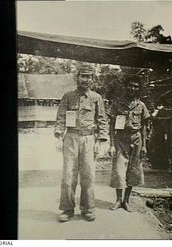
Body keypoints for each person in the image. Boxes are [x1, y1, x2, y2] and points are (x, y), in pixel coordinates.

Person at [54, 64, 108, 222]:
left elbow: (102, 120)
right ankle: (67, 209)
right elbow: (60, 118)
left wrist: (102, 141)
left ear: (92, 79)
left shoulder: (97, 98)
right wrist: (58, 137)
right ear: (77, 77)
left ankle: (88, 208)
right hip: (70, 138)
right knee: (68, 176)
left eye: (89, 76)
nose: (85, 79)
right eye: (83, 76)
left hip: (89, 140)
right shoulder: (68, 96)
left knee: (88, 176)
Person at [107, 74, 150, 212]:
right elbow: (111, 126)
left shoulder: (141, 105)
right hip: (120, 140)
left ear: (138, 89)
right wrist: (112, 144)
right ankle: (118, 200)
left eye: (136, 87)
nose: (133, 88)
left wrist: (144, 145)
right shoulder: (117, 104)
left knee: (133, 171)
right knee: (119, 171)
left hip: (136, 140)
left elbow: (144, 126)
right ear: (125, 87)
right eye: (130, 85)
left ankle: (126, 201)